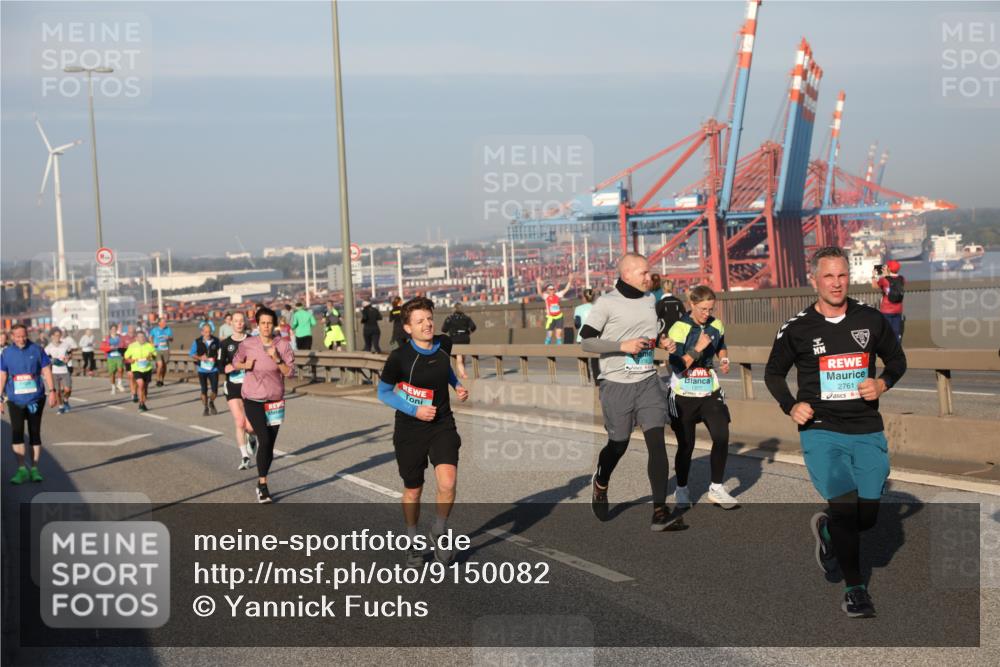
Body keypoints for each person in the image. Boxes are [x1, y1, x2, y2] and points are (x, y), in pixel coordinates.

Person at [765, 246, 906, 619]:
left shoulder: (870, 319)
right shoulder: (796, 329)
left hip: (866, 427)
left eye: (842, 275)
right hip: (821, 429)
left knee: (868, 517)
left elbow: (897, 360)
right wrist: (790, 404)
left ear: (849, 277)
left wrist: (882, 384)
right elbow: (773, 374)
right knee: (846, 508)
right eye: (828, 276)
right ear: (814, 280)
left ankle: (827, 531)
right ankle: (855, 589)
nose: (836, 283)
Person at [580, 253, 682, 531]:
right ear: (627, 275)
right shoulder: (607, 303)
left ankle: (659, 512)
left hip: (648, 381)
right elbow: (587, 342)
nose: (650, 277)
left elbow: (653, 334)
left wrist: (665, 342)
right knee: (619, 444)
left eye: (649, 273)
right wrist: (621, 346)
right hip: (616, 384)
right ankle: (601, 483)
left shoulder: (652, 300)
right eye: (644, 273)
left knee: (657, 442)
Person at [377, 297, 469, 567]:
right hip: (410, 429)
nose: (427, 324)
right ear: (407, 328)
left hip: (442, 423)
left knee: (448, 482)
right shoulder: (399, 358)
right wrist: (413, 409)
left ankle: (439, 530)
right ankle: (412, 540)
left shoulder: (444, 344)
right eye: (420, 321)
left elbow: (445, 370)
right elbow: (383, 392)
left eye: (429, 318)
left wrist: (457, 385)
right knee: (413, 491)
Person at [666, 285, 737, 510]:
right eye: (703, 309)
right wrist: (697, 348)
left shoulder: (716, 325)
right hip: (683, 393)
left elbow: (721, 345)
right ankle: (682, 488)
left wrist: (724, 359)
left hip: (709, 390)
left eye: (711, 309)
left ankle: (716, 488)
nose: (707, 313)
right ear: (692, 305)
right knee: (686, 445)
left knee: (722, 435)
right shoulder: (679, 328)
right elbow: (676, 365)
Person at [232, 306, 296, 503]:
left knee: (269, 446)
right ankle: (263, 485)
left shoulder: (283, 345)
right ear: (257, 325)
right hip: (253, 398)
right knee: (265, 440)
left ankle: (260, 484)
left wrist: (277, 359)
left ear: (274, 324)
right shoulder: (248, 344)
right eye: (263, 323)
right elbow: (235, 362)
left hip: (275, 400)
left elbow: (289, 373)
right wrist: (245, 365)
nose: (266, 326)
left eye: (269, 323)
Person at [1, 324, 58, 484]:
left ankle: (34, 469)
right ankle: (21, 470)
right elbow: (3, 375)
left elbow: (46, 370)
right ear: (12, 337)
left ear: (27, 334)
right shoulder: (6, 353)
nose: (21, 339)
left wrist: (52, 391)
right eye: (18, 336)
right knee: (17, 433)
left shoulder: (37, 350)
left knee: (34, 433)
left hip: (35, 399)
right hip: (15, 400)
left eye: (24, 336)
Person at [218, 312, 257, 470]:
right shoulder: (225, 344)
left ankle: (252, 437)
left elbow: (259, 361)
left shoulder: (252, 341)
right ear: (231, 323)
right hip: (233, 386)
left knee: (250, 427)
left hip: (251, 386)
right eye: (236, 321)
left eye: (242, 321)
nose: (239, 323)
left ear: (245, 323)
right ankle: (245, 457)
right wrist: (231, 367)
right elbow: (220, 366)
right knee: (239, 422)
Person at [190, 324, 221, 416]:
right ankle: (205, 408)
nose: (208, 334)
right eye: (206, 332)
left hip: (213, 369)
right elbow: (192, 354)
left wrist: (218, 358)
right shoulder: (197, 341)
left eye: (209, 331)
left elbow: (220, 351)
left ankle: (211, 402)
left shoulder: (216, 341)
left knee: (215, 390)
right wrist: (200, 357)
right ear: (202, 332)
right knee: (204, 390)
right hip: (202, 370)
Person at [871, 260, 905, 343]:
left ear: (889, 268)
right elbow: (893, 283)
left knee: (886, 331)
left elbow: (874, 286)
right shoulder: (902, 279)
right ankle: (896, 349)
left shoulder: (884, 280)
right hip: (898, 309)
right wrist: (887, 274)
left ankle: (888, 349)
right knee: (896, 331)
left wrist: (873, 275)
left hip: (886, 309)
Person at [123, 330, 157, 412]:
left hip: (147, 369)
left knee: (145, 388)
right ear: (136, 338)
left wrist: (151, 357)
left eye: (143, 337)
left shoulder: (149, 345)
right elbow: (126, 357)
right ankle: (141, 404)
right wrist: (130, 360)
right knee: (141, 384)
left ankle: (143, 402)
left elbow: (155, 355)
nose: (142, 338)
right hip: (136, 369)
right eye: (140, 337)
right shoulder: (132, 346)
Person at [536, 274, 574, 344]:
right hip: (550, 318)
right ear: (547, 290)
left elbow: (566, 289)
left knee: (558, 335)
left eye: (553, 289)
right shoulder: (546, 296)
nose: (552, 291)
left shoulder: (557, 295)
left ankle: (559, 349)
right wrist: (538, 283)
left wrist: (570, 280)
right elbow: (539, 293)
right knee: (549, 336)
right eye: (550, 289)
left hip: (558, 317)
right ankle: (547, 350)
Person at [441, 304, 476, 380]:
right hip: (465, 338)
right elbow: (473, 327)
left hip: (454, 338)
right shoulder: (466, 318)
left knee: (458, 357)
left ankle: (463, 374)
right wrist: (468, 332)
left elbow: (444, 329)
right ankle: (462, 373)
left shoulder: (450, 318)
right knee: (462, 357)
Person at [43, 328, 74, 414]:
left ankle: (66, 400)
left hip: (65, 370)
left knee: (68, 389)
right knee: (57, 392)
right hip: (54, 372)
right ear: (52, 336)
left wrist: (68, 358)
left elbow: (70, 353)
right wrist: (51, 360)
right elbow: (44, 359)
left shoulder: (65, 345)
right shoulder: (48, 348)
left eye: (59, 335)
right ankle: (61, 407)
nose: (58, 337)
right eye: (56, 335)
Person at [101, 324, 127, 394]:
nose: (114, 330)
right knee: (112, 373)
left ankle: (119, 384)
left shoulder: (120, 337)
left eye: (115, 329)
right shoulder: (106, 338)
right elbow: (102, 347)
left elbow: (124, 345)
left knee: (120, 369)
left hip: (119, 356)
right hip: (110, 357)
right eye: (112, 329)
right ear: (110, 330)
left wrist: (121, 349)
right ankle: (113, 387)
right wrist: (110, 348)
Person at [149, 317, 174, 387]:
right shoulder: (154, 330)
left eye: (165, 322)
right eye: (163, 322)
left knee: (164, 366)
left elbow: (172, 339)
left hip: (165, 349)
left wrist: (168, 338)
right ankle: (157, 380)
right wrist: (152, 344)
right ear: (159, 323)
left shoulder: (168, 329)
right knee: (160, 365)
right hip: (157, 349)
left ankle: (162, 379)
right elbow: (150, 337)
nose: (165, 323)